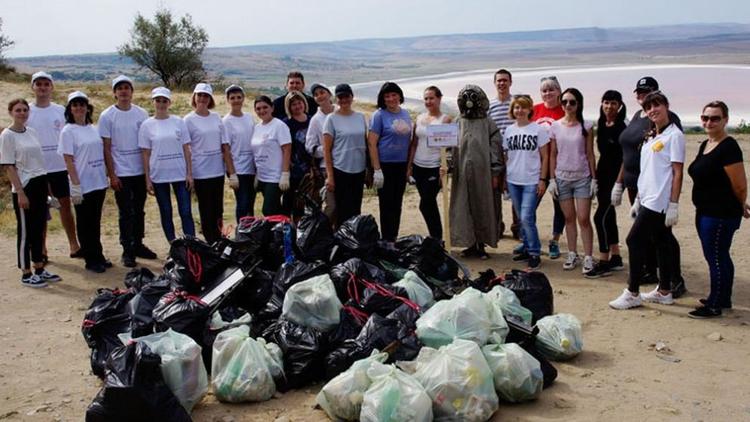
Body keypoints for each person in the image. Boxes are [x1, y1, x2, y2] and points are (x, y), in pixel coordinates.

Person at [609, 91, 685, 310]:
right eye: (648, 107)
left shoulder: (674, 136)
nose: (653, 110)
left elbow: (677, 172)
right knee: (661, 241)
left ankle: (632, 292)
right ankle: (664, 291)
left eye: (657, 105)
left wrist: (673, 204)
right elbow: (648, 171)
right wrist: (638, 199)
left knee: (634, 240)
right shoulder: (653, 135)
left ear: (667, 106)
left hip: (660, 201)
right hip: (647, 197)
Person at [687, 101, 749, 318]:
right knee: (716, 255)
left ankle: (715, 304)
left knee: (716, 256)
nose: (709, 122)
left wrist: (742, 203)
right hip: (704, 211)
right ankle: (722, 297)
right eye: (705, 118)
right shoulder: (706, 144)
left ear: (725, 120)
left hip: (721, 213)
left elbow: (740, 184)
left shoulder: (729, 146)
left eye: (715, 118)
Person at [1, 98, 62, 287]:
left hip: (40, 183)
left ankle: (39, 267)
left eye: (25, 110)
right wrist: (20, 192)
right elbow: (9, 166)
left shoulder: (32, 132)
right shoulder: (7, 136)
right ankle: (25, 272)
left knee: (38, 228)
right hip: (24, 186)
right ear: (11, 112)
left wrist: (48, 191)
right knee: (26, 230)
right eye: (18, 110)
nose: (22, 113)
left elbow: (40, 163)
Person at [99, 75, 156, 268]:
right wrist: (112, 174)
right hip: (121, 172)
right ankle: (127, 249)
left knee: (139, 210)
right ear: (114, 93)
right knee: (126, 211)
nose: (123, 91)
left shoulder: (141, 114)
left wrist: (149, 173)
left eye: (127, 88)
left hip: (139, 170)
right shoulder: (107, 116)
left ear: (132, 91)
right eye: (120, 88)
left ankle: (138, 243)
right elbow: (106, 147)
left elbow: (147, 145)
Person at [27, 71, 80, 259]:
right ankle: (41, 249)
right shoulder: (27, 111)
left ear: (52, 87)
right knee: (40, 210)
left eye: (46, 84)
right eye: (38, 84)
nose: (42, 87)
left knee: (65, 205)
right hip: (37, 169)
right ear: (32, 87)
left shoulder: (60, 110)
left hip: (59, 167)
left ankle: (74, 245)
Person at [58, 91, 110, 273]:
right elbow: (68, 160)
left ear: (87, 108)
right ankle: (90, 258)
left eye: (82, 105)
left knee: (95, 221)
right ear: (70, 109)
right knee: (84, 222)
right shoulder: (68, 131)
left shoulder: (92, 128)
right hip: (83, 184)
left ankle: (98, 254)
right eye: (75, 105)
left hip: (98, 182)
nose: (79, 108)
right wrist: (76, 185)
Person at [451, 84, 502, 260]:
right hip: (462, 173)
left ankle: (481, 244)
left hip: (483, 172)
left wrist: (495, 171)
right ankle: (469, 243)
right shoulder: (458, 122)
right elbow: (451, 148)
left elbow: (495, 148)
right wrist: (449, 165)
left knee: (483, 206)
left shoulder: (488, 123)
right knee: (464, 206)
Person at [548, 88, 596, 274]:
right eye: (565, 102)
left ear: (579, 104)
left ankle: (589, 256)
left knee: (584, 218)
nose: (568, 105)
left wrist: (594, 178)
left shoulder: (586, 126)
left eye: (572, 102)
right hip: (562, 178)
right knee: (569, 218)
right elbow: (553, 154)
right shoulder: (555, 126)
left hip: (582, 178)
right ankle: (572, 252)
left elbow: (590, 154)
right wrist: (552, 178)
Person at [139, 87, 195, 242]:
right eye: (158, 100)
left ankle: (191, 244)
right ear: (153, 102)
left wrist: (189, 173)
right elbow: (145, 153)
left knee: (185, 211)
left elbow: (186, 148)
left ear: (169, 102)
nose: (161, 104)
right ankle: (173, 245)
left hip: (179, 174)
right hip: (159, 175)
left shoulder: (178, 122)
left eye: (164, 101)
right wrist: (147, 179)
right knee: (166, 211)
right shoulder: (147, 125)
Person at [184, 82, 238, 243]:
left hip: (216, 171)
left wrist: (232, 173)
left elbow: (225, 147)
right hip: (200, 172)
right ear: (194, 97)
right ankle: (211, 241)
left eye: (206, 96)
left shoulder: (216, 118)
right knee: (206, 209)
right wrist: (189, 174)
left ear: (210, 99)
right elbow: (186, 148)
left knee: (218, 209)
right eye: (200, 95)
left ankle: (219, 238)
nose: (202, 98)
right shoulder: (188, 120)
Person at [503, 94, 549, 270]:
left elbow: (545, 157)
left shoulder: (538, 130)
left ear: (530, 109)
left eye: (523, 107)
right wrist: (505, 179)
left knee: (526, 217)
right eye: (516, 107)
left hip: (532, 180)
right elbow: (507, 155)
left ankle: (535, 252)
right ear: (512, 110)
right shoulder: (509, 131)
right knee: (523, 218)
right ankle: (526, 247)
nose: (519, 110)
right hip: (514, 179)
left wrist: (543, 180)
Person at [587, 90, 627, 278]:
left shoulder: (623, 127)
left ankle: (603, 260)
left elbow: (626, 158)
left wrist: (619, 183)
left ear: (619, 105)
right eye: (606, 102)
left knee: (599, 217)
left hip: (616, 176)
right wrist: (595, 178)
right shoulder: (601, 124)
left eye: (613, 103)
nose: (609, 106)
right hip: (603, 174)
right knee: (609, 217)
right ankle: (616, 257)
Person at [368, 82, 413, 243]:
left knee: (397, 202)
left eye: (394, 95)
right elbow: (372, 143)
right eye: (387, 96)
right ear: (383, 99)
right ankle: (386, 239)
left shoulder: (406, 114)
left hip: (401, 165)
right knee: (386, 204)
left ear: (399, 96)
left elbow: (410, 141)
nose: (391, 98)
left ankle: (393, 237)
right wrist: (377, 169)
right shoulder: (379, 115)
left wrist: (409, 167)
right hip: (385, 165)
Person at [407, 86, 451, 240]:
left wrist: (444, 167)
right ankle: (437, 238)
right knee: (429, 205)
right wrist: (409, 167)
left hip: (435, 168)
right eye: (426, 98)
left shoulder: (445, 120)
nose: (428, 101)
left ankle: (437, 238)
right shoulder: (419, 118)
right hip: (419, 167)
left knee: (425, 204)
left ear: (439, 99)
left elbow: (448, 148)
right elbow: (414, 144)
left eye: (432, 98)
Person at [323, 84, 368, 226]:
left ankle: (353, 240)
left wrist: (369, 170)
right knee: (342, 210)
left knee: (356, 209)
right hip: (340, 170)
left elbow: (366, 145)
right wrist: (330, 176)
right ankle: (341, 242)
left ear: (352, 97)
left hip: (359, 170)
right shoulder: (331, 119)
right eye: (340, 97)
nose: (344, 100)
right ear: (336, 99)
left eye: (346, 96)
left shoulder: (360, 117)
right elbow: (326, 150)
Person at [533, 75, 565, 259]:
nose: (548, 93)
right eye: (544, 90)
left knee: (559, 206)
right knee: (530, 205)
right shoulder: (534, 110)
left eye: (551, 89)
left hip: (559, 166)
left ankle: (554, 240)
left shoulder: (565, 110)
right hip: (536, 167)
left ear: (559, 91)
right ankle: (531, 240)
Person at [250, 95, 292, 216]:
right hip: (262, 175)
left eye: (265, 107)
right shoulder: (257, 128)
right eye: (258, 108)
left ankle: (278, 233)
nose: (262, 111)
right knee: (275, 210)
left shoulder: (279, 126)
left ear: (272, 108)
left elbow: (287, 149)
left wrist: (285, 174)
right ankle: (280, 233)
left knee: (269, 210)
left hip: (275, 177)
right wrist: (257, 173)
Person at [223, 84, 257, 222]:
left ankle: (252, 233)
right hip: (238, 168)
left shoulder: (249, 118)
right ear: (228, 100)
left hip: (251, 167)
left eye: (238, 97)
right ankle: (242, 232)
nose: (236, 100)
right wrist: (232, 174)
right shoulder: (226, 121)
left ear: (243, 98)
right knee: (242, 203)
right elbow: (225, 148)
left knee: (250, 203)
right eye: (232, 98)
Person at [305, 83, 336, 220]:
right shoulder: (315, 120)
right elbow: (310, 146)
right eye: (316, 94)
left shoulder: (340, 112)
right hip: (325, 168)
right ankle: (324, 233)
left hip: (346, 165)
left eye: (322, 92)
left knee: (345, 203)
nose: (319, 96)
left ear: (329, 94)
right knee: (330, 205)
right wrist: (326, 149)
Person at [488, 69, 513, 239]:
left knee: (515, 190)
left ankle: (518, 228)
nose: (502, 83)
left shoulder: (516, 103)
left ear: (510, 82)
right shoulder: (489, 106)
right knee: (494, 191)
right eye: (499, 81)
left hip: (515, 155)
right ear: (495, 83)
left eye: (505, 80)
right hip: (495, 155)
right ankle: (497, 227)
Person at [282, 90, 313, 219]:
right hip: (293, 169)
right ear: (289, 107)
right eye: (293, 104)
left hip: (310, 169)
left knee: (308, 204)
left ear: (304, 103)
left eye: (299, 102)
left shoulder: (312, 120)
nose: (297, 106)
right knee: (290, 203)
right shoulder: (286, 124)